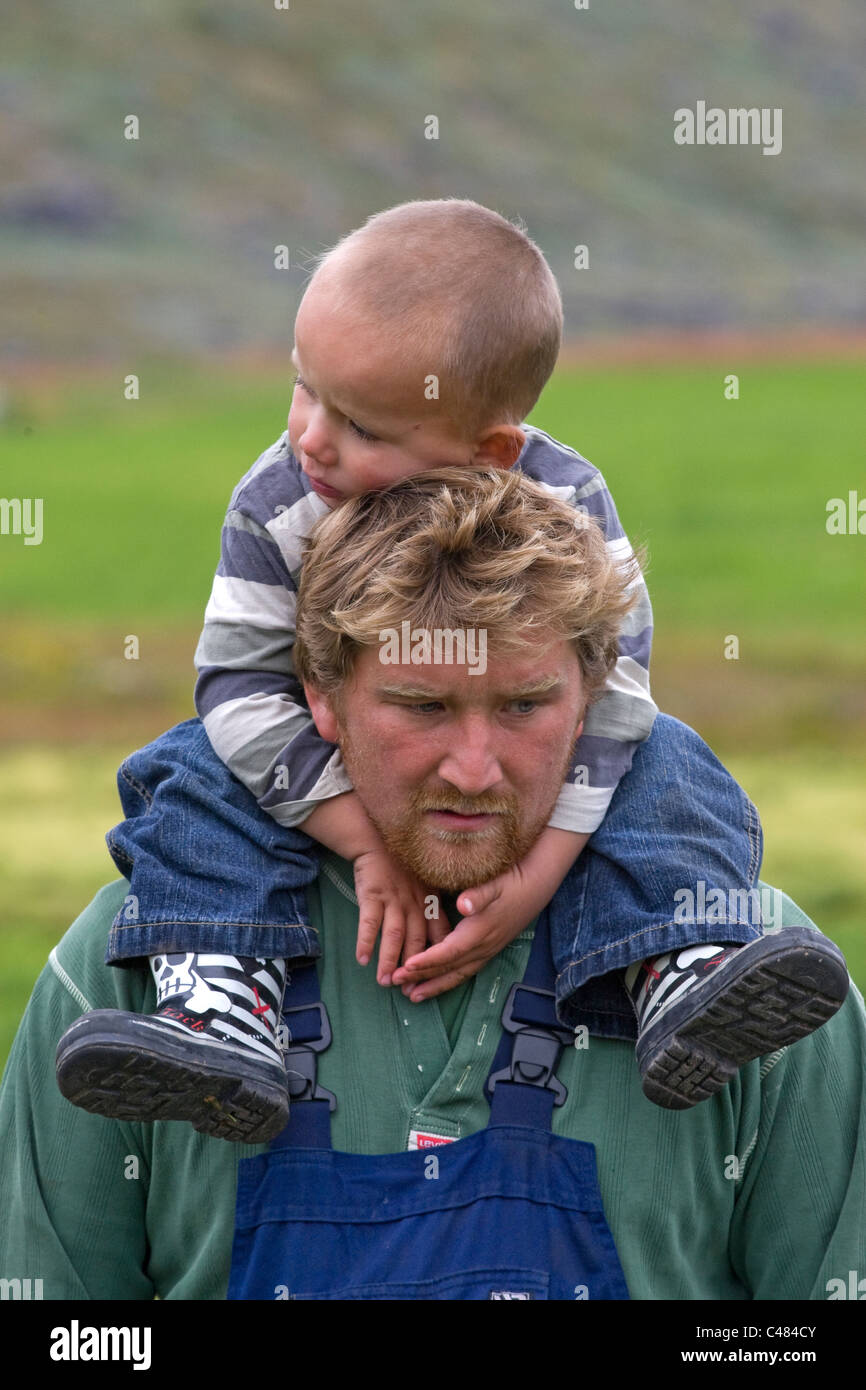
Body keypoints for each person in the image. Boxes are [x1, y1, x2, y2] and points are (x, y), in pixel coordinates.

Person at [55, 200, 846, 1143]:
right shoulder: (280, 500)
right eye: (305, 391)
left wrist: (546, 867)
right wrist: (362, 842)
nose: (312, 439)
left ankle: (680, 958)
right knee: (186, 774)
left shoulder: (571, 501)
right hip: (300, 748)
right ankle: (221, 996)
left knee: (668, 758)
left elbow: (615, 694)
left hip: (569, 771)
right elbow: (235, 687)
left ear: (490, 452)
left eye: (362, 426)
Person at [2, 469, 863, 1301]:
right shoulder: (137, 966)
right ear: (321, 697)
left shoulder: (748, 968)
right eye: (422, 706)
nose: (475, 770)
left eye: (525, 705)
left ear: (596, 696)